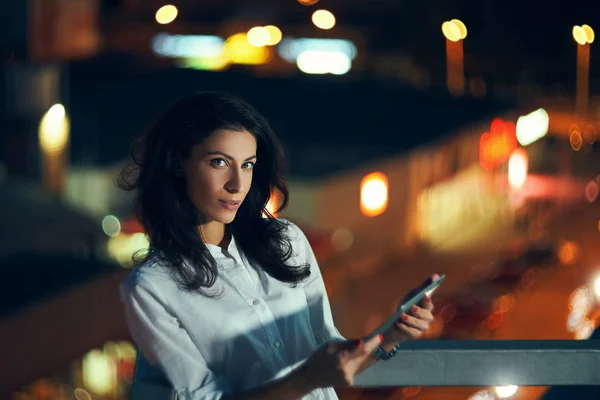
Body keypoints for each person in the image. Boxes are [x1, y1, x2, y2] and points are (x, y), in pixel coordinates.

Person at [118, 91, 438, 400]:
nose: (237, 184)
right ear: (177, 163)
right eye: (219, 162)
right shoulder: (152, 287)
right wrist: (308, 378)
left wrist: (392, 332)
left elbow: (332, 352)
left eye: (247, 165)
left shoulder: (286, 240)